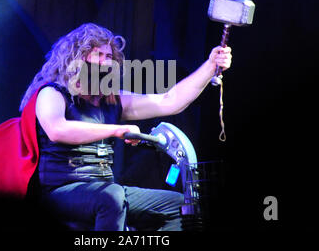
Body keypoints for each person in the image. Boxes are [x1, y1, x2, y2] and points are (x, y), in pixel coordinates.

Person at [19, 23, 232, 231]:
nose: (105, 62)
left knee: (176, 205)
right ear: (77, 58)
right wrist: (115, 130)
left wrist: (210, 66)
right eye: (97, 55)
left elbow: (170, 100)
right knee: (111, 198)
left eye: (109, 56)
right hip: (61, 192)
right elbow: (57, 130)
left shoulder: (112, 100)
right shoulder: (52, 93)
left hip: (107, 190)